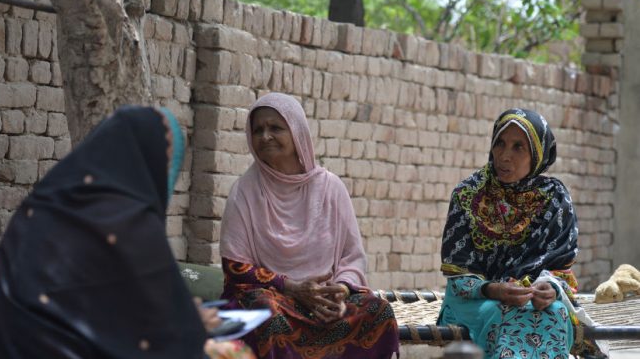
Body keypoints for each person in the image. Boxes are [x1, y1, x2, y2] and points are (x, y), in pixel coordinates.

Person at [0, 106, 251, 359]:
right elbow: (158, 338)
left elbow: (96, 306)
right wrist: (193, 325)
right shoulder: (129, 225)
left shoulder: (41, 207)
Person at [220, 92, 400, 359]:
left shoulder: (330, 187)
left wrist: (338, 291)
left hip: (326, 300)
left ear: (297, 131)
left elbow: (352, 257)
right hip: (276, 298)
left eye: (275, 128)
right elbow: (236, 267)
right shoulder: (245, 192)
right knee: (264, 313)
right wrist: (291, 287)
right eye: (258, 130)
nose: (265, 136)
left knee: (378, 310)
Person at [438, 108, 602, 359]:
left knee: (556, 313)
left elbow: (561, 272)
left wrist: (549, 289)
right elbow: (458, 277)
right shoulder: (467, 194)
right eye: (500, 144)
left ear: (537, 155)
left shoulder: (555, 199)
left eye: (518, 147)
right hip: (473, 300)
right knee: (505, 314)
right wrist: (495, 289)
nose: (504, 156)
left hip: (534, 302)